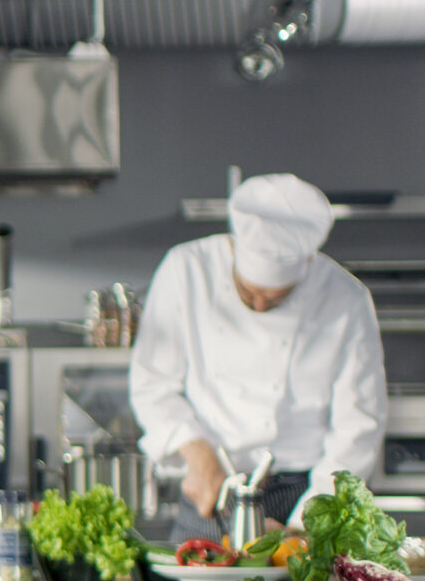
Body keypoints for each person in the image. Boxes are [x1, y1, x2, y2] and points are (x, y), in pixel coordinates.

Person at [131, 173, 386, 543]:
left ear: (309, 262)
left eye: (278, 297)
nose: (262, 305)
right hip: (212, 487)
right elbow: (151, 384)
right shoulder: (187, 270)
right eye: (249, 294)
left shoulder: (347, 299)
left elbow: (358, 426)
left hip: (304, 492)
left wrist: (305, 527)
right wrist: (195, 451)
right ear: (234, 248)